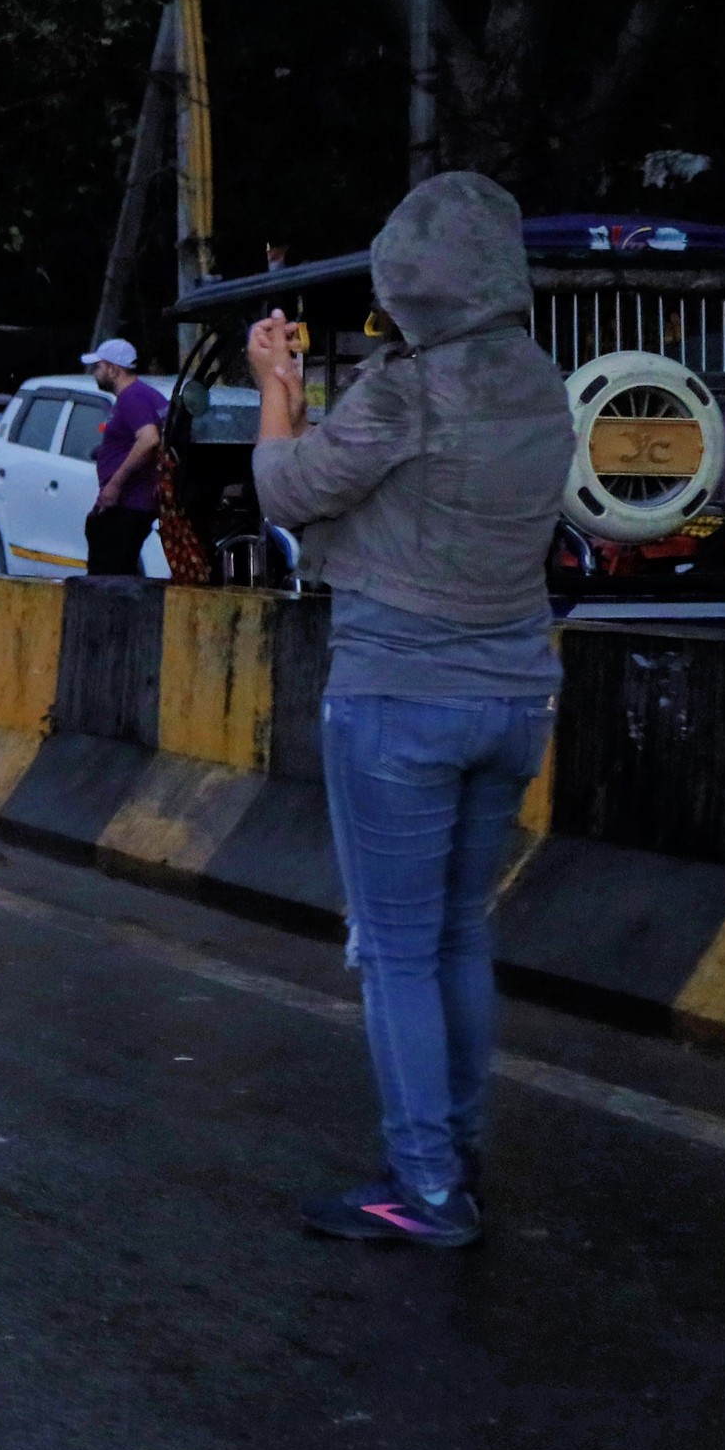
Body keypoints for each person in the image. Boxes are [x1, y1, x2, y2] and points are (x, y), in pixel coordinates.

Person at [249, 171, 577, 1249]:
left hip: (400, 697)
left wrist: (275, 387)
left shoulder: (404, 390)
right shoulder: (541, 382)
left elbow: (287, 491)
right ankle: (458, 1153)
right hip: (514, 693)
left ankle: (426, 1186)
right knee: (457, 935)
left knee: (393, 950)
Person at [82, 336, 167, 577]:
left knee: (107, 574)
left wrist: (115, 484)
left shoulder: (132, 398)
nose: (94, 373)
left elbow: (149, 439)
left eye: (98, 367)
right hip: (135, 504)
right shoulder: (147, 395)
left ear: (113, 369)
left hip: (128, 504)